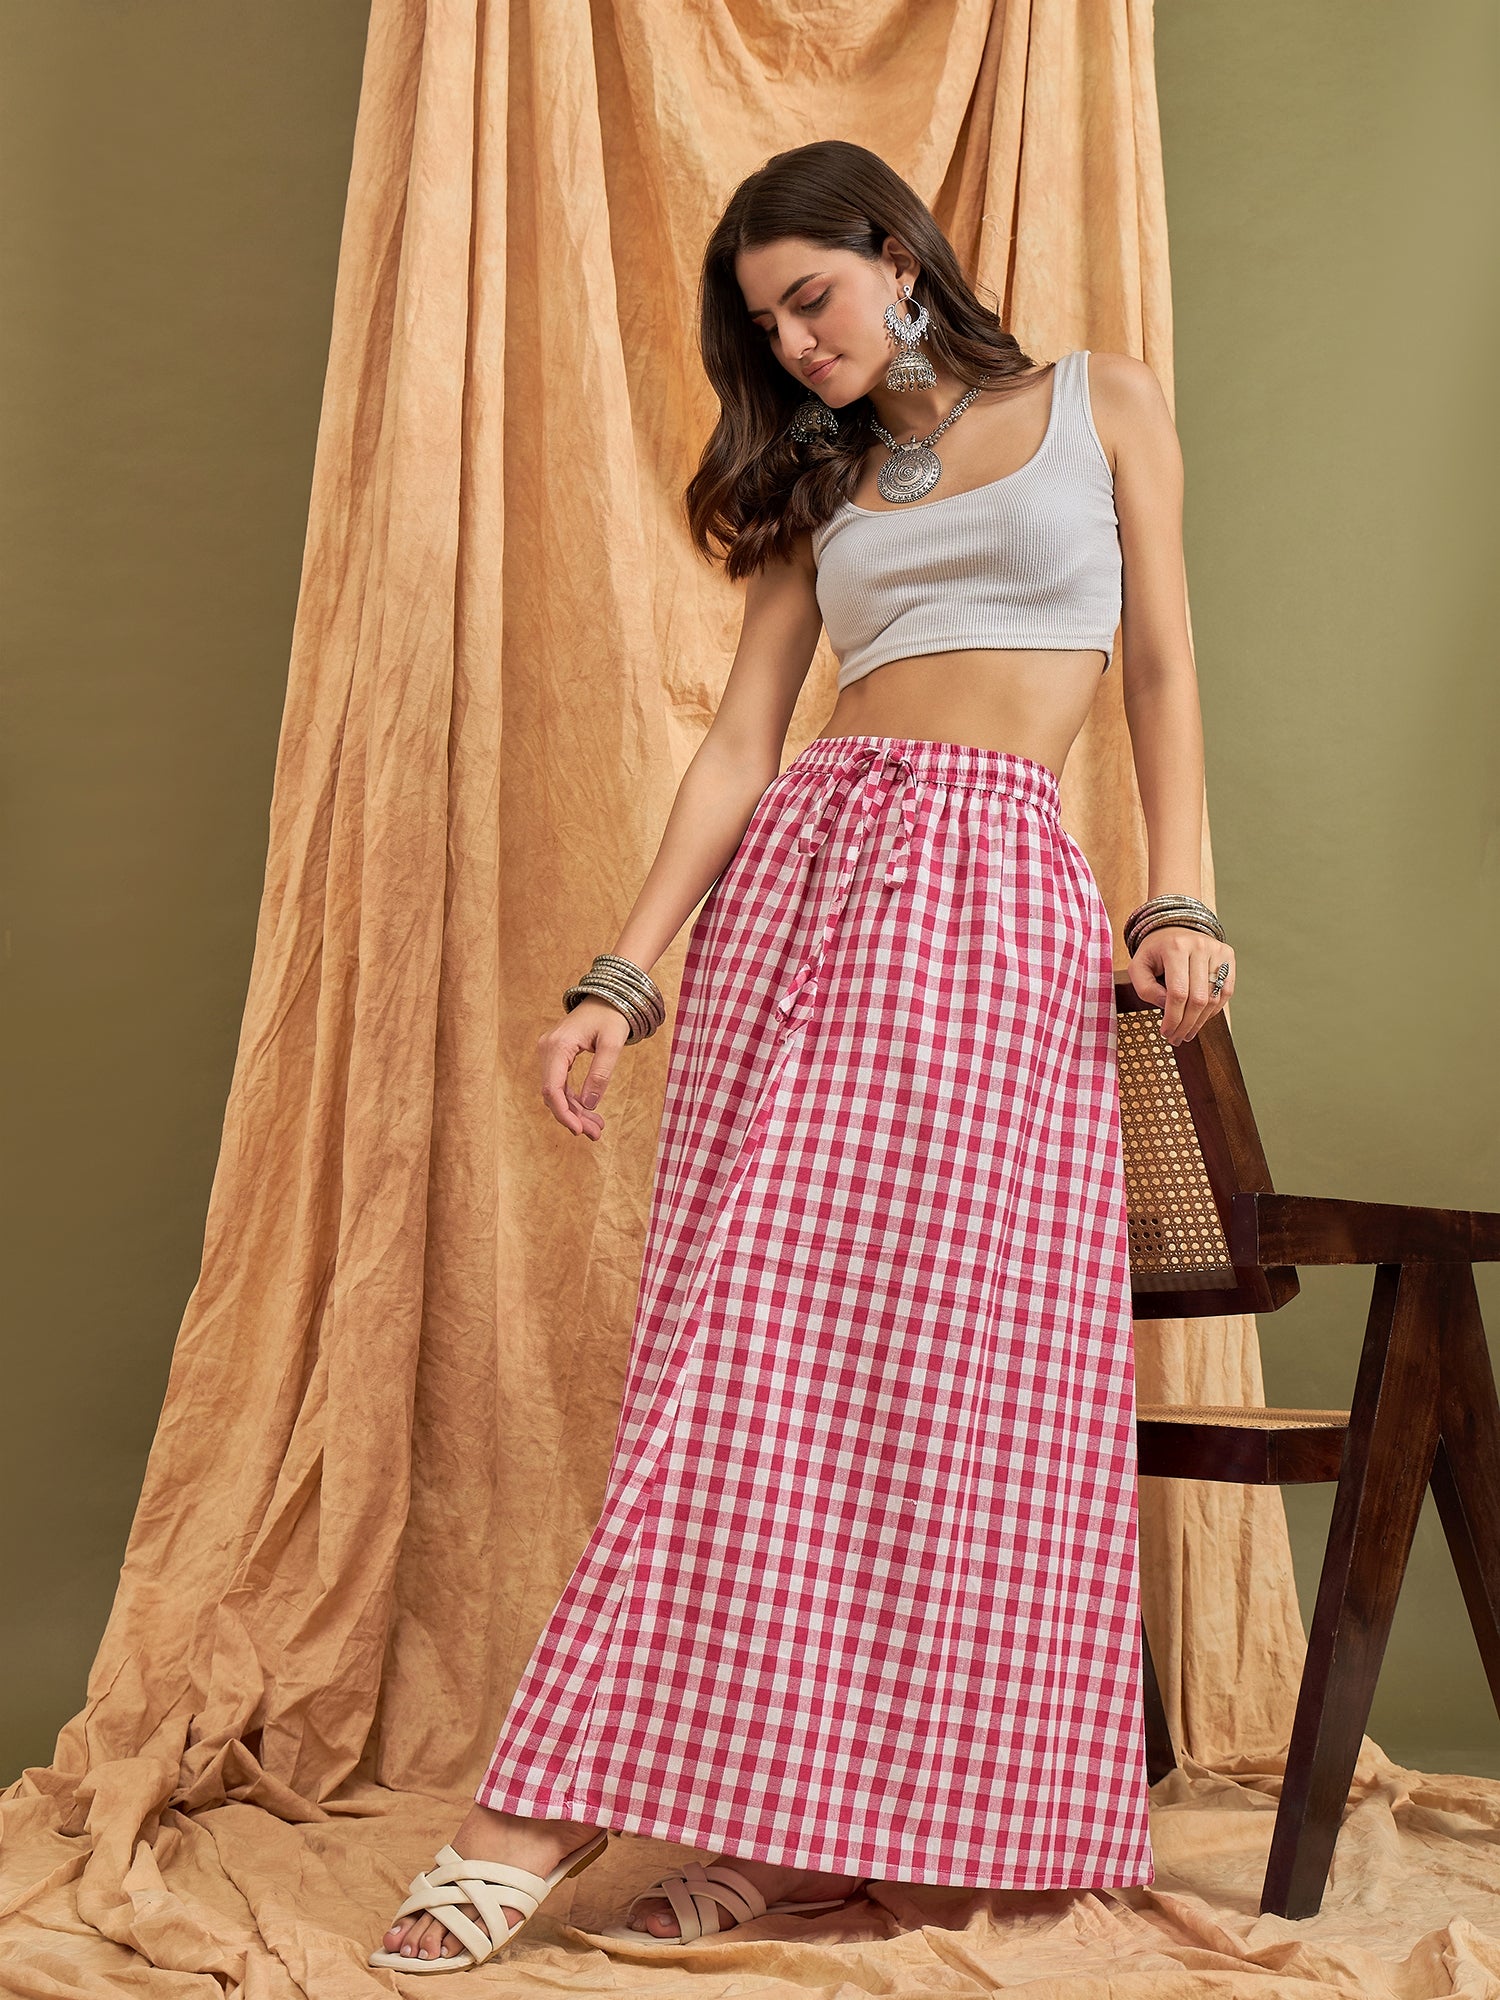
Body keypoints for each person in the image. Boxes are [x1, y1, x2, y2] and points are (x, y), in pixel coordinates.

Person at [371, 136, 1234, 1974]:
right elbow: (740, 743)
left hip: (992, 899)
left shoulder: (1102, 403)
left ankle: (804, 1838)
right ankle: (581, 1806)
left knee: (953, 1379)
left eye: (811, 299)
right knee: (751, 1346)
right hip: (805, 902)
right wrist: (625, 972)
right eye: (766, 325)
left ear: (900, 256)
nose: (795, 344)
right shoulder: (823, 478)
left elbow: (1161, 664)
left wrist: (1179, 895)